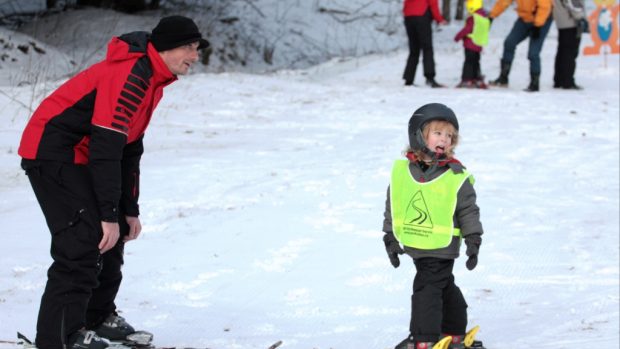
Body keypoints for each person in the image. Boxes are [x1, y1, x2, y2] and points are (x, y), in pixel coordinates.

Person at [18, 15, 209, 349]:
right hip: (52, 152)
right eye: (187, 47)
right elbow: (107, 148)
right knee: (82, 240)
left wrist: (126, 210)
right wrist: (106, 214)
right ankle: (59, 338)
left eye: (196, 47)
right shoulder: (132, 75)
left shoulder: (154, 79)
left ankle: (97, 316)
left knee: (114, 229)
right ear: (164, 47)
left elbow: (129, 147)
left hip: (87, 153)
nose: (194, 55)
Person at [382, 103, 484, 349]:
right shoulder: (403, 172)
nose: (445, 139)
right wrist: (389, 237)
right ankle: (453, 330)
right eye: (438, 133)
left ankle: (424, 338)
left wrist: (473, 239)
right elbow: (394, 204)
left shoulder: (455, 176)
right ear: (419, 135)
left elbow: (468, 209)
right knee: (443, 284)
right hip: (416, 244)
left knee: (426, 288)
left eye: (449, 136)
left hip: (441, 248)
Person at [487, 0, 553, 92]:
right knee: (509, 43)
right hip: (524, 19)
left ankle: (534, 83)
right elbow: (504, 2)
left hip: (541, 20)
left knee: (533, 53)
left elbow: (544, 6)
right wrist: (492, 15)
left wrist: (538, 25)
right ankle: (503, 78)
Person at [402, 0, 448, 87]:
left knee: (413, 50)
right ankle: (430, 78)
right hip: (421, 16)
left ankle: (409, 80)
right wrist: (439, 19)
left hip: (409, 17)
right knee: (427, 48)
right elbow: (433, 3)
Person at [454, 0, 491, 89]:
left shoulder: (473, 17)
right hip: (478, 44)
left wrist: (457, 37)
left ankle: (467, 79)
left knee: (468, 63)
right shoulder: (484, 17)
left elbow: (467, 29)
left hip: (470, 44)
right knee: (476, 62)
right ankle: (477, 78)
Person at [552, 0, 589, 89]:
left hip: (562, 20)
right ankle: (567, 81)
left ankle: (559, 80)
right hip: (571, 21)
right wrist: (580, 17)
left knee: (562, 51)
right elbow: (573, 3)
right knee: (570, 53)